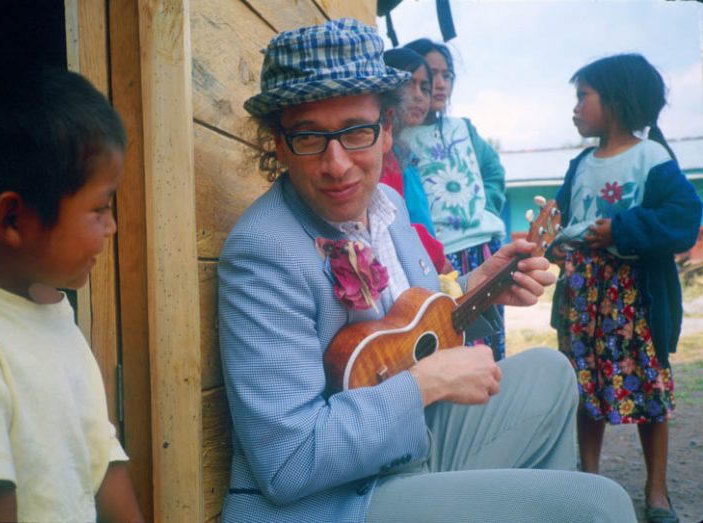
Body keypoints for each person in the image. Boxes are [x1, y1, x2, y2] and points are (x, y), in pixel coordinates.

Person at [218, 18, 637, 523]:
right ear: (278, 143)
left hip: (399, 450)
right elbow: (286, 463)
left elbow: (404, 329)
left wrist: (481, 284)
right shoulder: (263, 250)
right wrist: (424, 384)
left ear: (388, 129)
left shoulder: (388, 205)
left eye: (356, 131)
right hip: (333, 502)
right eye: (308, 137)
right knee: (601, 505)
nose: (337, 165)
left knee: (552, 373)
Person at [0, 64, 144, 522]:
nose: (112, 228)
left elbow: (100, 456)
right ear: (12, 220)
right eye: (100, 209)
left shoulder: (51, 308)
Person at [548, 53, 702, 523]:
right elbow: (562, 218)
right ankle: (589, 482)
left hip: (634, 296)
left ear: (615, 100)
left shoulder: (651, 158)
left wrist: (621, 231)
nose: (574, 108)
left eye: (582, 97)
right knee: (586, 386)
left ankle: (656, 492)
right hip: (583, 296)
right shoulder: (580, 164)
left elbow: (682, 219)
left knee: (650, 387)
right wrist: (554, 244)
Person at [402, 38, 508, 360]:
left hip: (482, 249)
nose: (439, 84)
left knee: (489, 339)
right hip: (442, 257)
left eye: (446, 75)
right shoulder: (400, 136)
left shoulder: (463, 128)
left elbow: (493, 171)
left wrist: (482, 207)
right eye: (429, 75)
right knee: (457, 340)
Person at [380, 47, 448, 274]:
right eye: (409, 84)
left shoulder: (402, 153)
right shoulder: (381, 156)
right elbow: (396, 224)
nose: (419, 95)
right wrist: (438, 260)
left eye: (424, 88)